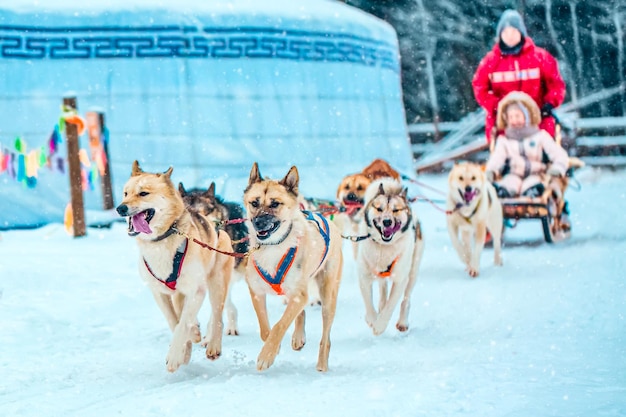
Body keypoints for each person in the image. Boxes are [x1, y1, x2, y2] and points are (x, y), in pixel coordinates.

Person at [472, 9, 566, 142]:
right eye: (506, 32)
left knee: (543, 153)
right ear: (500, 35)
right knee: (506, 155)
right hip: (504, 122)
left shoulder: (540, 57)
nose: (510, 36)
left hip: (538, 119)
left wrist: (548, 104)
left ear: (521, 33)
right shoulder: (490, 61)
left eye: (514, 31)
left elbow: (556, 84)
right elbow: (479, 87)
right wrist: (496, 107)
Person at [485, 91, 569, 202]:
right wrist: (491, 170)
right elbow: (497, 158)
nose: (514, 120)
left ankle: (533, 191)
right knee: (509, 184)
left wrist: (557, 169)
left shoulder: (540, 136)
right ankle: (503, 192)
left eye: (518, 116)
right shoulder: (504, 140)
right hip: (513, 174)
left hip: (537, 173)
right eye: (511, 117)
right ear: (506, 119)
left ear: (527, 116)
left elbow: (559, 154)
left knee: (532, 183)